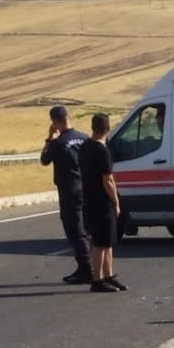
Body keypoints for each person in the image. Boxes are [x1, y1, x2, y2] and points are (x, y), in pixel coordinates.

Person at [40, 105, 91, 283]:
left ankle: (87, 267)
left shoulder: (58, 143)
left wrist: (49, 138)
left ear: (54, 122)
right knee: (85, 227)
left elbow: (44, 160)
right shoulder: (85, 138)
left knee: (74, 229)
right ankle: (85, 266)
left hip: (69, 190)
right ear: (69, 116)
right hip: (86, 187)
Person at [78, 114, 125, 293]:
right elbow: (108, 180)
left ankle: (108, 275)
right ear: (108, 129)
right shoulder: (102, 150)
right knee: (100, 243)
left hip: (89, 198)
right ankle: (97, 279)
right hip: (102, 201)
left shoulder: (85, 147)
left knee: (108, 240)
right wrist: (116, 201)